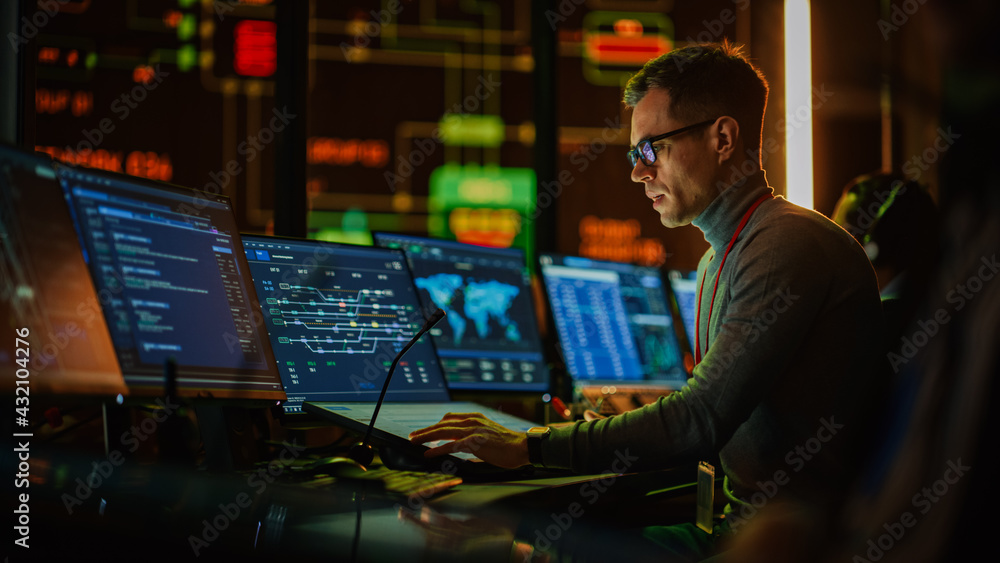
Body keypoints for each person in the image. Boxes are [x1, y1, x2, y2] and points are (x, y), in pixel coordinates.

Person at [410, 41, 885, 559]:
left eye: (650, 149)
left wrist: (530, 446)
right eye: (634, 154)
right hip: (733, 527)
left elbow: (700, 420)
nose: (639, 172)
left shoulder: (786, 245)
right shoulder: (721, 256)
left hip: (790, 546)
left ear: (723, 138)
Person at [831, 172, 939, 300]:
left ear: (873, 246)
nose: (836, 254)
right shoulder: (936, 293)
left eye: (842, 237)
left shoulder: (882, 315)